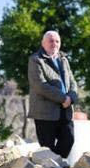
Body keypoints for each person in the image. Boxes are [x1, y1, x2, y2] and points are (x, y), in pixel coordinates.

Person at [27, 31, 79, 159]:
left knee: (69, 139)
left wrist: (71, 98)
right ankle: (50, 167)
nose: (54, 44)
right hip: (45, 112)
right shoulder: (36, 59)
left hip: (65, 110)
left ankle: (56, 165)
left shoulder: (64, 59)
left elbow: (72, 82)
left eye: (57, 41)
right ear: (43, 43)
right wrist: (63, 98)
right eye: (51, 41)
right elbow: (40, 85)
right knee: (47, 148)